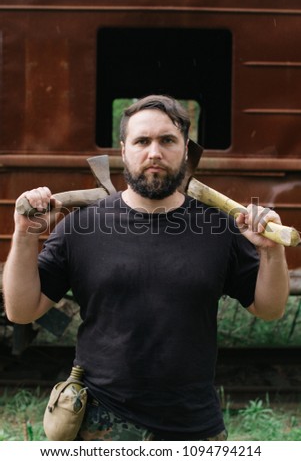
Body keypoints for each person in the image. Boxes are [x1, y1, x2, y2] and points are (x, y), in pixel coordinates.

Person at [3, 95, 289, 441]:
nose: (154, 152)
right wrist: (23, 235)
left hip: (194, 427)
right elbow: (21, 310)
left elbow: (270, 309)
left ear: (185, 149)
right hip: (101, 424)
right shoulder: (82, 226)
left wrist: (272, 253)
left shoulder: (218, 228)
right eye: (142, 141)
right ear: (124, 150)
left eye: (167, 140)